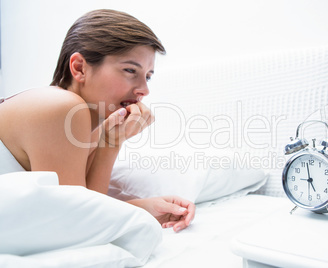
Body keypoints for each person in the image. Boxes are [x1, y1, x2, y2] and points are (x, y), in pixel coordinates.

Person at [0, 9, 194, 233]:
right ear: (79, 68)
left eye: (148, 76)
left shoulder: (88, 124)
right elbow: (75, 223)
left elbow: (84, 205)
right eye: (130, 70)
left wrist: (144, 209)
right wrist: (110, 144)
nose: (144, 90)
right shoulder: (61, 108)